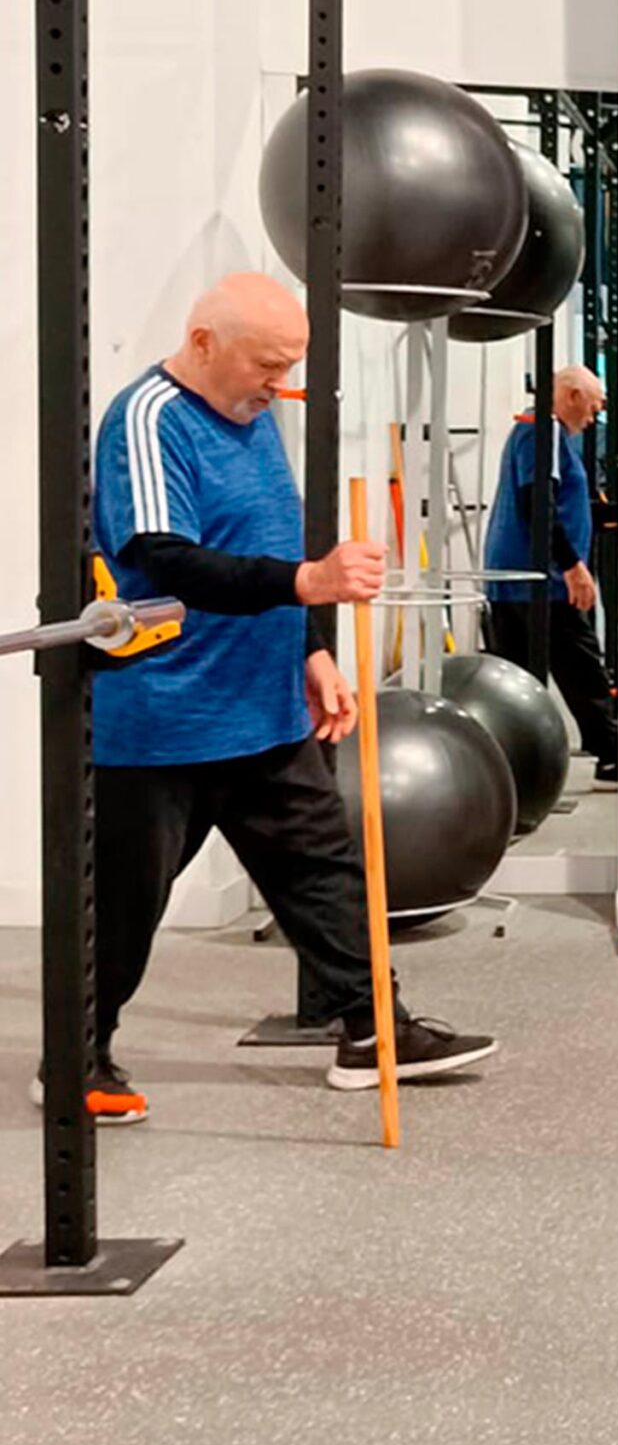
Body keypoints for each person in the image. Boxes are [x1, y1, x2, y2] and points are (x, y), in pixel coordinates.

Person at [54, 273, 498, 1123]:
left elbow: (266, 538)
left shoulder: (255, 416)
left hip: (262, 708)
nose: (277, 383)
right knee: (121, 908)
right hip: (163, 719)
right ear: (204, 343)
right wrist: (309, 583)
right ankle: (78, 1053)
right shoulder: (147, 419)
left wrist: (313, 650)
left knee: (325, 876)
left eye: (288, 367)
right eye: (267, 363)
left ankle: (374, 1029)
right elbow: (165, 555)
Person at [482, 365, 618, 787]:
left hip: (524, 578)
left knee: (521, 680)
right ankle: (612, 754)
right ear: (573, 396)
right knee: (581, 670)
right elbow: (538, 502)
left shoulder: (541, 432)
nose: (592, 420)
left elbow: (558, 502)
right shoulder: (542, 431)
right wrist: (573, 566)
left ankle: (516, 769)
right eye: (592, 409)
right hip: (539, 582)